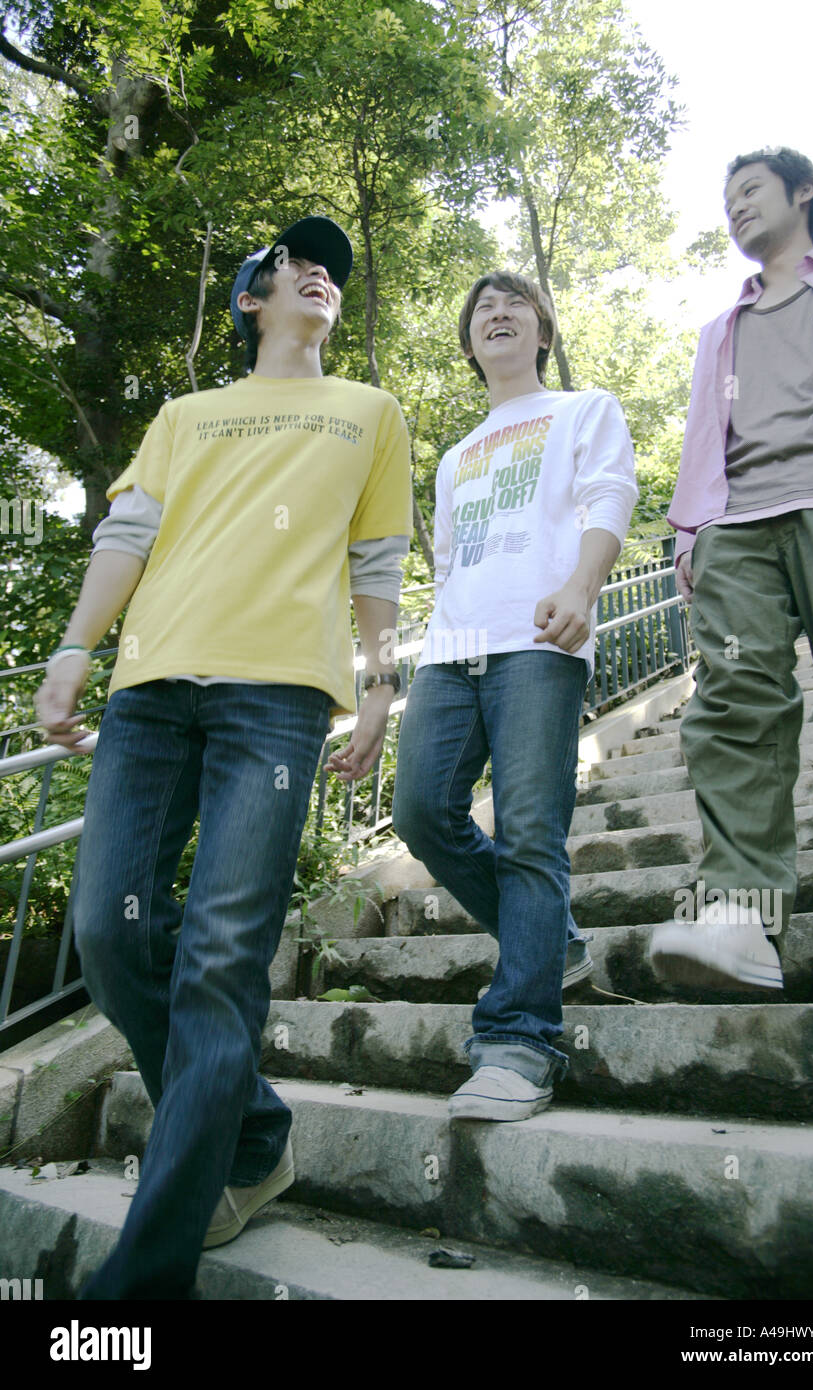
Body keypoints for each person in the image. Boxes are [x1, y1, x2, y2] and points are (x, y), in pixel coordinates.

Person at [35, 216, 413, 1298]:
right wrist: (73, 651)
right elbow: (125, 539)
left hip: (275, 700)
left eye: (331, 270)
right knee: (110, 934)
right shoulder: (185, 415)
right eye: (295, 264)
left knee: (217, 961)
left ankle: (140, 1283)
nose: (317, 275)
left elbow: (376, 562)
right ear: (252, 298)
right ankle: (250, 1136)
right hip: (152, 691)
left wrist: (380, 688)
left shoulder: (369, 414)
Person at [391, 271, 638, 1121]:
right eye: (482, 311)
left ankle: (520, 1039)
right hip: (452, 651)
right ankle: (552, 939)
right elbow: (453, 561)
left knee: (532, 831)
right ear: (469, 345)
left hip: (540, 641)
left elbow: (611, 495)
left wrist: (583, 588)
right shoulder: (458, 456)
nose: (497, 315)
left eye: (516, 306)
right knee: (423, 813)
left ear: (541, 332)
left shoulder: (584, 410)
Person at [649, 148, 813, 1001]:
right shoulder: (721, 330)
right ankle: (740, 919)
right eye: (726, 198)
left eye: (750, 190)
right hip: (736, 525)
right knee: (735, 704)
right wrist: (689, 534)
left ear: (802, 192)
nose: (735, 207)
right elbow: (706, 436)